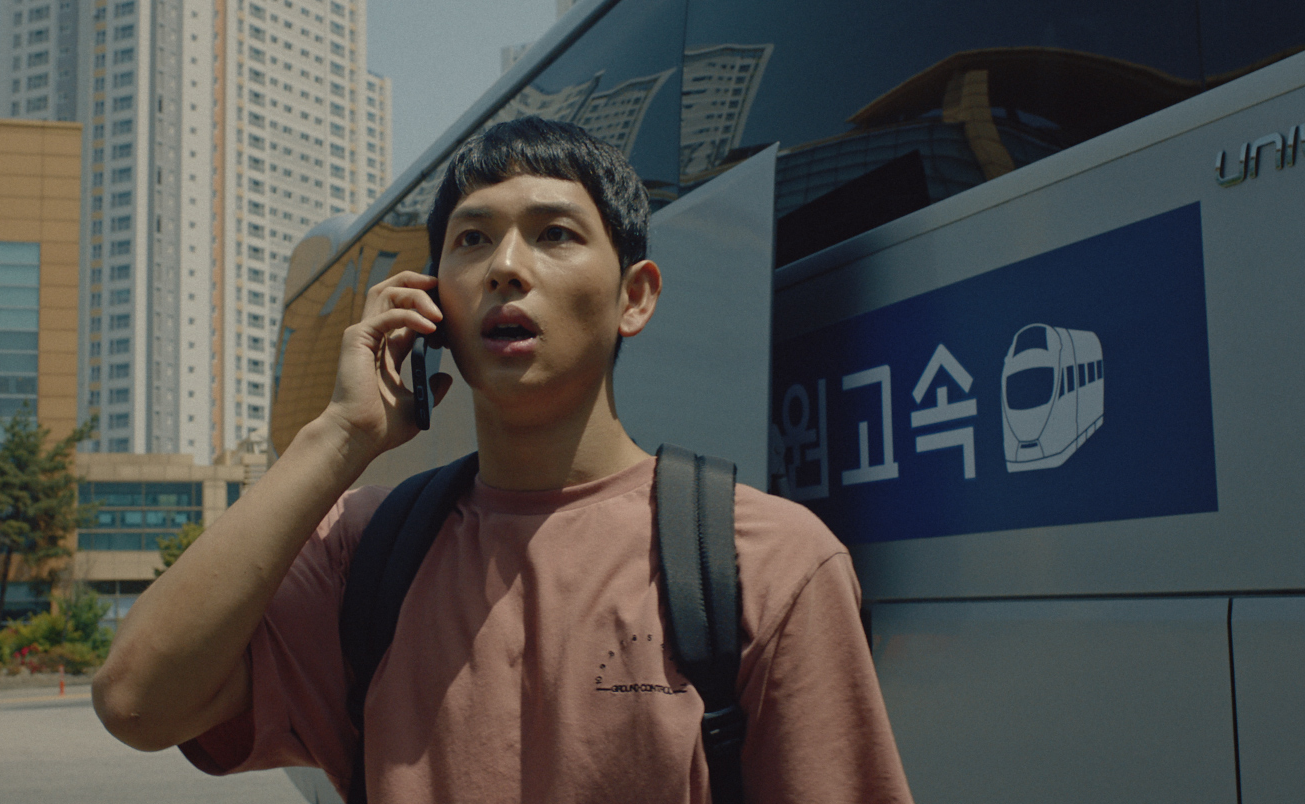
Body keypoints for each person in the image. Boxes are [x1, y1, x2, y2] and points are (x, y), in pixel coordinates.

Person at [92, 117, 913, 803]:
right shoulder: (365, 551)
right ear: (431, 303)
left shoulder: (764, 560)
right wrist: (341, 435)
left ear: (634, 297)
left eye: (555, 234)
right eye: (472, 239)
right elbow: (134, 701)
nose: (506, 267)